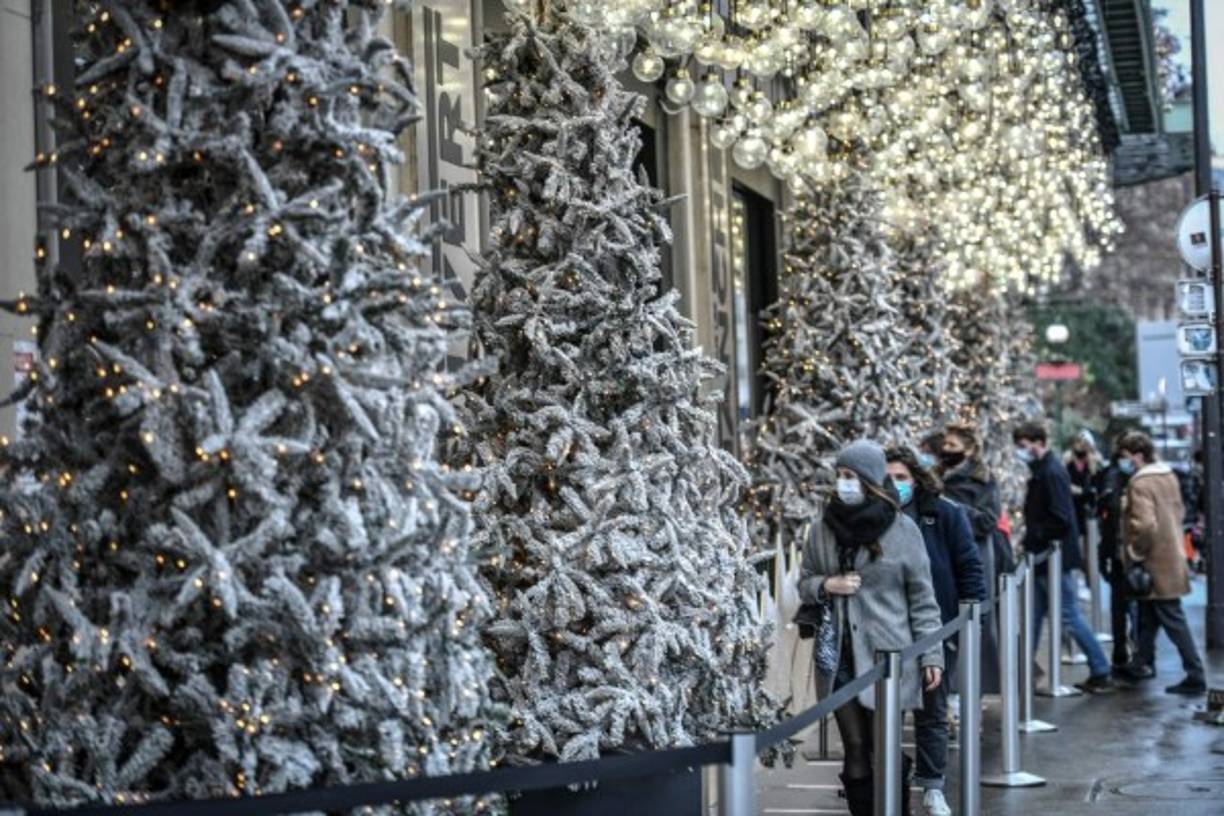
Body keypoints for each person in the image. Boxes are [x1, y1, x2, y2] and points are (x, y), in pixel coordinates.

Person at [800, 440, 944, 816]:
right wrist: (825, 586)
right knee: (855, 750)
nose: (843, 483)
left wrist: (932, 653)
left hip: (888, 657)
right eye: (840, 475)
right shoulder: (821, 528)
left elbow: (923, 598)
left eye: (850, 476)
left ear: (868, 480)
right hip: (839, 656)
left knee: (885, 749)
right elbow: (805, 581)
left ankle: (896, 808)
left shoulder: (903, 530)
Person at [886, 447, 985, 816]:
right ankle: (889, 779)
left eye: (901, 477)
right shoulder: (873, 516)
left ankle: (932, 785)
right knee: (884, 713)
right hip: (888, 632)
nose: (895, 484)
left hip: (937, 626)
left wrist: (971, 623)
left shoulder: (944, 515)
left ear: (916, 479)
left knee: (932, 709)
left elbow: (968, 567)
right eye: (888, 477)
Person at [1014, 421, 1114, 693]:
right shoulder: (1047, 470)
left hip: (1051, 556)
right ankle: (1022, 671)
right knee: (1035, 615)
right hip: (1046, 556)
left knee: (1068, 615)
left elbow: (1060, 517)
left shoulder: (1050, 472)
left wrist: (1035, 535)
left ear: (1038, 441)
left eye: (1023, 445)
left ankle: (1100, 668)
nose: (1020, 451)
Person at [1114, 432, 1207, 694]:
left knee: (1171, 616)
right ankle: (1140, 663)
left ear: (1138, 455)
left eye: (1127, 457)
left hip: (1155, 560)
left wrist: (1135, 551)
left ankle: (1196, 673)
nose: (1126, 463)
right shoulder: (1168, 477)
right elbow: (1179, 512)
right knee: (1151, 615)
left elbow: (1144, 525)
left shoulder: (1140, 484)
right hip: (1171, 554)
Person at [935, 421, 1002, 693]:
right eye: (945, 444)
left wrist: (953, 510)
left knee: (973, 626)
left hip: (972, 556)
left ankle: (970, 693)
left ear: (970, 449)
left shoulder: (983, 480)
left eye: (953, 445)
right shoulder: (934, 475)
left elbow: (988, 520)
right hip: (941, 556)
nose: (946, 450)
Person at [1095, 445, 1137, 668]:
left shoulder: (1142, 479)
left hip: (1132, 552)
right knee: (1123, 606)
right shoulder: (1113, 477)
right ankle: (1123, 652)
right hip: (1120, 552)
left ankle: (1134, 653)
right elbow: (1105, 516)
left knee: (1131, 606)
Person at [1064, 431, 1100, 556]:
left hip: (1088, 511)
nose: (1081, 447)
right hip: (1072, 507)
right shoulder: (1067, 463)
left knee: (1090, 547)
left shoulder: (1094, 465)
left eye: (1085, 444)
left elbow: (1096, 489)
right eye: (1079, 443)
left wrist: (1082, 491)